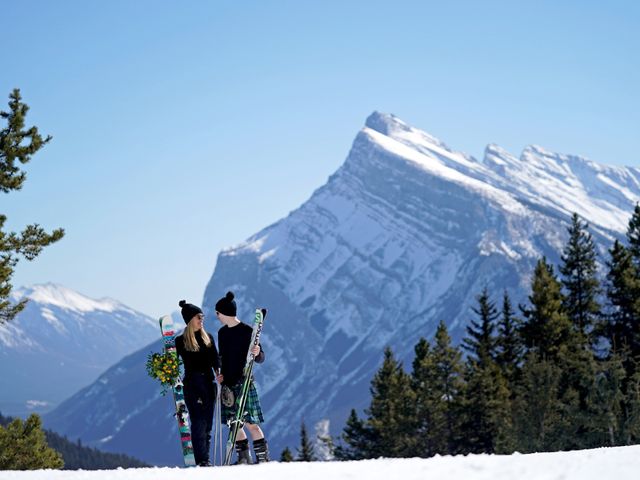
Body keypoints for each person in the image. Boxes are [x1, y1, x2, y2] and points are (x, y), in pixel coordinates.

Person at [215, 291, 269, 464]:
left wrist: (258, 352)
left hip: (244, 382)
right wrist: (220, 374)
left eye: (217, 313)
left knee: (250, 423)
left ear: (223, 312)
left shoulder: (247, 331)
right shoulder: (222, 333)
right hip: (228, 384)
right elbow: (222, 357)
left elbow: (260, 358)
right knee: (233, 424)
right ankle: (243, 458)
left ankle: (263, 459)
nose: (217, 316)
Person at [175, 300, 220, 467]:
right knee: (198, 422)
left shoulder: (208, 339)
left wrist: (219, 372)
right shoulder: (180, 341)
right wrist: (169, 372)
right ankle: (201, 459)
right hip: (192, 384)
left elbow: (216, 360)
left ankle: (204, 459)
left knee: (207, 425)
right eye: (198, 316)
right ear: (189, 320)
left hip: (209, 384)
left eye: (202, 316)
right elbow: (172, 362)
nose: (202, 319)